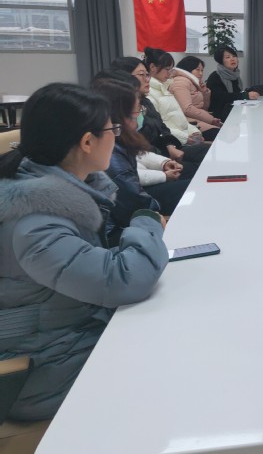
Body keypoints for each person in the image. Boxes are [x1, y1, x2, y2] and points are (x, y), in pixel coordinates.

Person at [0, 83, 168, 421]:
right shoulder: (35, 222)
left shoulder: (59, 189)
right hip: (40, 369)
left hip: (67, 336)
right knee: (169, 364)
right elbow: (123, 280)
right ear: (87, 142)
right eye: (112, 129)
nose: (117, 136)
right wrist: (147, 222)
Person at [91, 78, 190, 241]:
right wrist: (160, 216)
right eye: (138, 111)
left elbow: (139, 159)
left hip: (130, 216)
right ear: (120, 116)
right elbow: (134, 204)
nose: (141, 115)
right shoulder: (109, 151)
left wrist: (163, 163)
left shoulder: (119, 140)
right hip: (116, 233)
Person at [110, 57, 209, 168]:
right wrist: (165, 159)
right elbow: (139, 149)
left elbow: (162, 127)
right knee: (198, 167)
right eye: (142, 75)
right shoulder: (119, 110)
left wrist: (170, 145)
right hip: (151, 161)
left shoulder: (145, 102)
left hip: (166, 151)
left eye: (147, 75)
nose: (147, 79)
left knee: (207, 153)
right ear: (124, 77)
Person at [142, 47, 205, 146]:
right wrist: (186, 138)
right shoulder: (149, 93)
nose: (170, 73)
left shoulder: (165, 88)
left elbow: (180, 120)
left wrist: (194, 131)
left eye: (171, 69)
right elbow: (160, 126)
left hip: (184, 137)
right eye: (167, 69)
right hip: (172, 142)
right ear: (152, 67)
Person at [170, 55, 222, 141]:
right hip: (188, 122)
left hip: (198, 119)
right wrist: (211, 119)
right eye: (197, 70)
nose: (201, 73)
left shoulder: (194, 83)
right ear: (188, 68)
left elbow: (203, 108)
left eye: (202, 70)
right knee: (221, 134)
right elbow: (187, 109)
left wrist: (205, 92)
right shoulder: (181, 81)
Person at [206, 46, 259, 120]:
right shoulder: (215, 77)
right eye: (228, 57)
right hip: (220, 115)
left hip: (235, 110)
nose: (232, 59)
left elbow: (236, 94)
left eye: (234, 56)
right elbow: (220, 97)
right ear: (221, 61)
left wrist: (247, 93)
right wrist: (245, 95)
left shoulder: (235, 76)